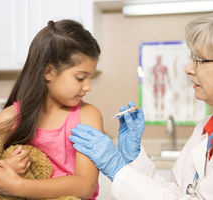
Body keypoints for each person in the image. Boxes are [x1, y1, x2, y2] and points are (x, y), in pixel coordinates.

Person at [69, 13, 213, 200]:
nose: (188, 68)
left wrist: (116, 167)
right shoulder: (204, 129)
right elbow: (176, 193)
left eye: (199, 60)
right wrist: (134, 158)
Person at [0, 19, 102, 200]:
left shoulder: (87, 115)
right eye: (80, 78)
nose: (87, 87)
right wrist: (3, 170)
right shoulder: (9, 119)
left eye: (90, 78)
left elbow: (85, 186)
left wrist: (17, 186)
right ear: (49, 72)